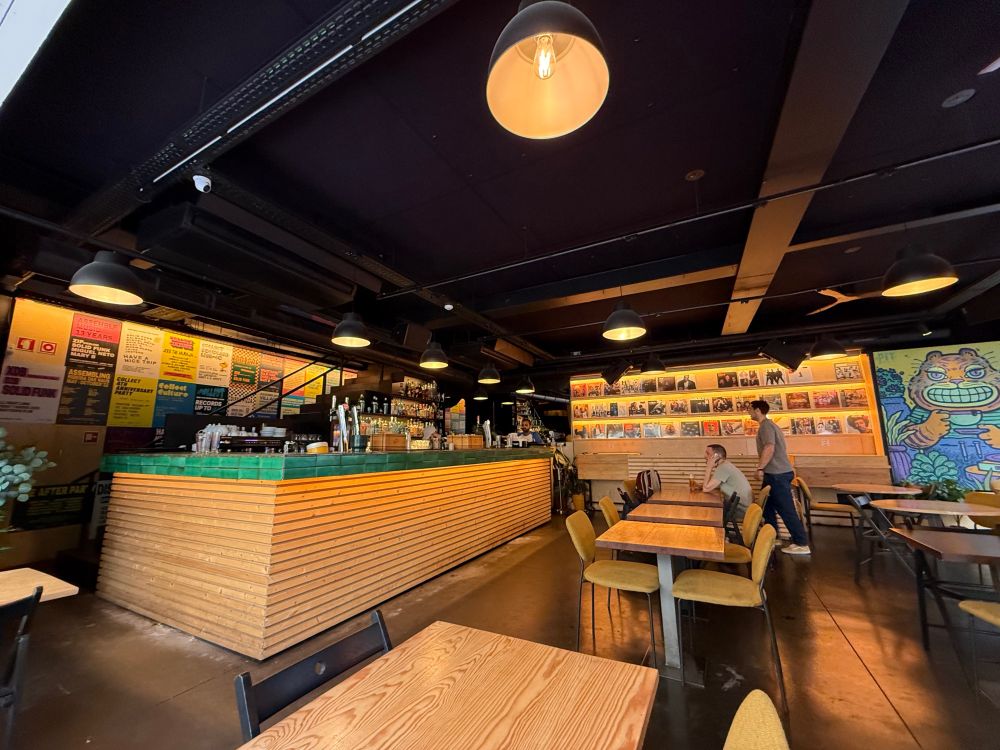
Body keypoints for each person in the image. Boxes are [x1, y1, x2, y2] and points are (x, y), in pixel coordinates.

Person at [749, 399, 810, 555]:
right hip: (775, 473)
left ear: (757, 411)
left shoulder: (766, 427)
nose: (748, 412)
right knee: (767, 507)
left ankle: (801, 543)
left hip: (777, 473)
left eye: (750, 409)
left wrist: (760, 467)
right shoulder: (769, 426)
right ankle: (773, 537)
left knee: (786, 508)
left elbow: (769, 447)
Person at [701, 444, 752, 517]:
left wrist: (709, 467)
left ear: (716, 456)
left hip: (740, 510)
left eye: (708, 453)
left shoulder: (723, 468)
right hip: (742, 507)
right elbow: (710, 485)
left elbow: (705, 489)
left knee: (708, 513)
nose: (705, 456)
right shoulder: (725, 465)